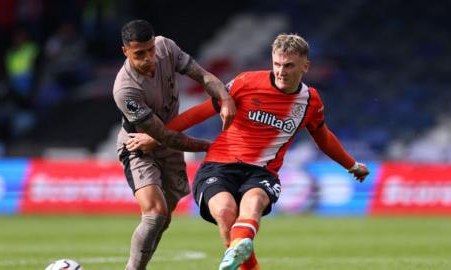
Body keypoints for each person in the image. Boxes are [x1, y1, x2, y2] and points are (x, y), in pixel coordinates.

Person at [127, 33, 370, 270]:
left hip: (262, 172)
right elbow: (201, 111)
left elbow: (324, 138)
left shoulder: (310, 101)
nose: (281, 71)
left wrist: (351, 165)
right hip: (218, 165)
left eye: (289, 65)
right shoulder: (246, 83)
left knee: (252, 203)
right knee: (225, 212)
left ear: (305, 67)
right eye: (277, 64)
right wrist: (156, 135)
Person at [112, 19, 236, 270]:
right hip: (139, 146)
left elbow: (202, 75)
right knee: (154, 213)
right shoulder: (125, 89)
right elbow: (165, 136)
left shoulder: (166, 47)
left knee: (164, 219)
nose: (149, 58)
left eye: (150, 50)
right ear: (125, 51)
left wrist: (224, 97)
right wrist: (209, 147)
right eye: (139, 54)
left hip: (166, 142)